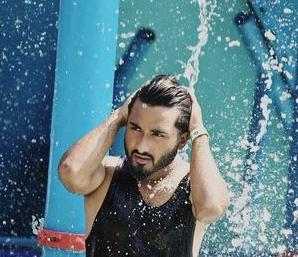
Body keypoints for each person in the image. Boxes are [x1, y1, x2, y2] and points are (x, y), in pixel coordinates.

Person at [58, 74, 228, 256]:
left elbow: (211, 208)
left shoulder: (195, 187)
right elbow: (71, 171)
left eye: (157, 134)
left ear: (182, 140)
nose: (141, 145)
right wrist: (118, 116)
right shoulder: (107, 175)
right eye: (135, 128)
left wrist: (199, 134)